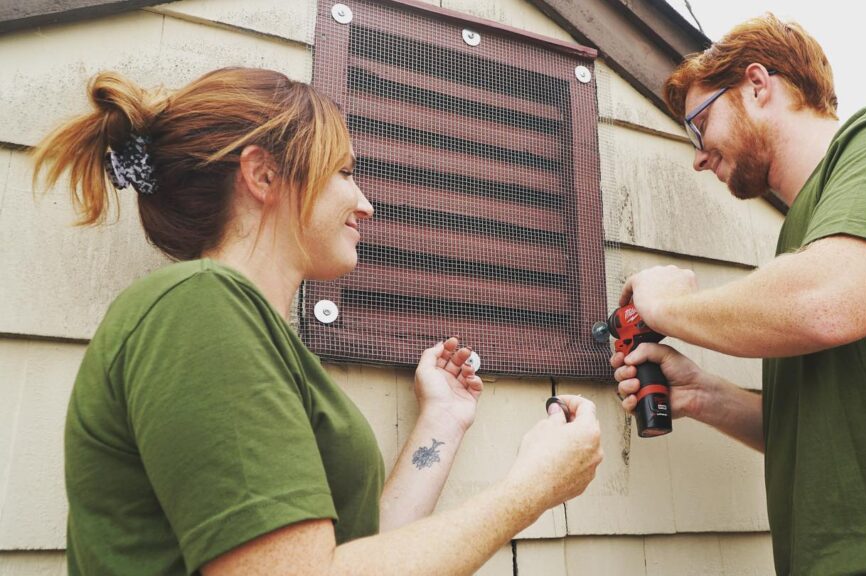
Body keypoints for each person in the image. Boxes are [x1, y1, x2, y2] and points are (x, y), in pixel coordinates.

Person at [34, 67, 603, 576]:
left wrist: (443, 421)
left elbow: (354, 554)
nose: (365, 203)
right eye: (344, 172)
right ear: (262, 175)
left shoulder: (247, 328)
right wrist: (532, 489)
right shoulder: (198, 306)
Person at [611, 13, 866, 575]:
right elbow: (821, 430)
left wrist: (665, 306)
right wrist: (701, 394)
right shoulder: (802, 239)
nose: (699, 154)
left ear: (757, 86)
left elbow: (829, 301)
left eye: (698, 126)